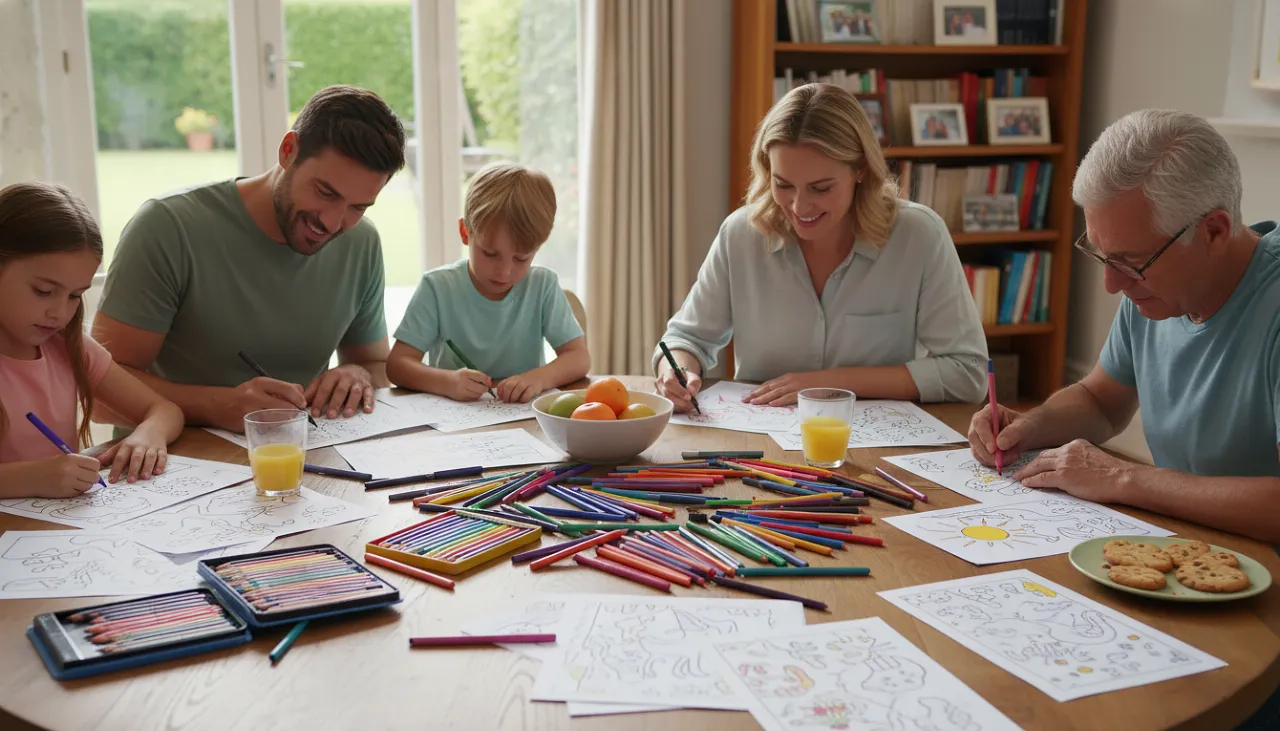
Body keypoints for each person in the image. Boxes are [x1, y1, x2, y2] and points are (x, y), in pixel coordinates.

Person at [967, 109, 1280, 545]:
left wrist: (1124, 477)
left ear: (1213, 231)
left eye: (1130, 264)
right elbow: (1101, 401)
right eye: (1102, 256)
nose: (1112, 284)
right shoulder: (1159, 291)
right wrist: (1030, 427)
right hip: (1186, 547)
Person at [654, 83, 988, 411]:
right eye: (783, 185)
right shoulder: (741, 235)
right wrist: (677, 371)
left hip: (876, 445)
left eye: (820, 188)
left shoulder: (919, 236)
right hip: (759, 445)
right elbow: (686, 340)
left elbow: (967, 373)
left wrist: (830, 383)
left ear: (860, 168)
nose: (800, 206)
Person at [92, 85, 405, 433]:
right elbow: (98, 394)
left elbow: (374, 365)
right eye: (325, 192)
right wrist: (218, 406)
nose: (333, 223)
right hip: (171, 468)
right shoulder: (169, 227)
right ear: (288, 151)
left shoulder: (361, 242)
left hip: (305, 460)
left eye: (358, 207)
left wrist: (357, 375)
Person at [0, 183, 184, 497]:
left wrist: (149, 434)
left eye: (75, 296)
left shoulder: (67, 345)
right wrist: (27, 478)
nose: (59, 313)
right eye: (43, 291)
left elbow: (164, 410)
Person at [386, 162, 589, 403]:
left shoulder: (543, 285)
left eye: (521, 258)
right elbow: (397, 365)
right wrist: (447, 382)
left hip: (521, 421)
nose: (504, 272)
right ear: (465, 232)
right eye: (490, 254)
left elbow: (578, 358)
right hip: (451, 424)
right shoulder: (438, 288)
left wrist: (538, 379)